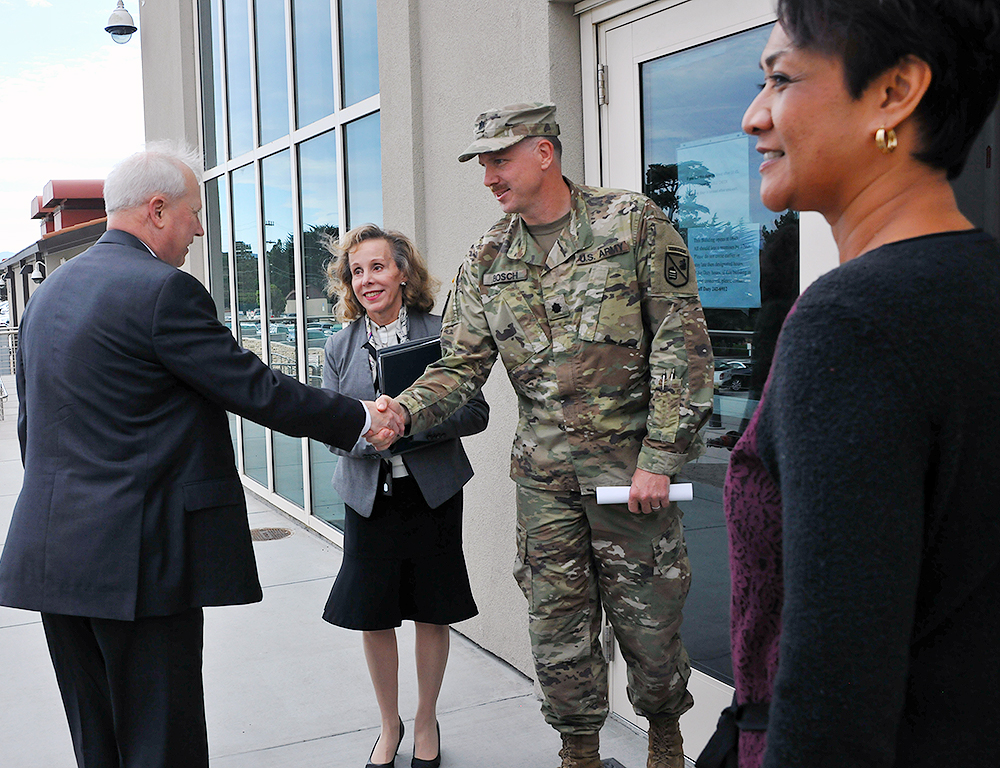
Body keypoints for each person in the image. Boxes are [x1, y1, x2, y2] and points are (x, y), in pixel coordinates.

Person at [0, 144, 403, 768]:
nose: (201, 228)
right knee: (161, 743)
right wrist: (361, 419)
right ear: (158, 210)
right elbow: (254, 387)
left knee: (98, 741)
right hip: (138, 562)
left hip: (54, 555)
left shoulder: (52, 292)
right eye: (194, 212)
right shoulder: (163, 292)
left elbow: (30, 425)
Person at [373, 103, 714, 768]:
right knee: (558, 633)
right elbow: (460, 366)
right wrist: (404, 413)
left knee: (650, 625)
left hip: (631, 476)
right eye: (482, 163)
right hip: (546, 485)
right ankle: (578, 752)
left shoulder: (631, 223)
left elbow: (682, 342)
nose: (488, 177)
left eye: (500, 160)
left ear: (544, 153)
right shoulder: (488, 255)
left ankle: (666, 742)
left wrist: (662, 458)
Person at [718, 2, 1000, 767]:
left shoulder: (851, 323)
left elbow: (834, 697)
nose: (753, 118)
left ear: (895, 91)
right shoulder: (974, 286)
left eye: (780, 79)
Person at [320, 224, 489, 768]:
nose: (367, 279)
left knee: (430, 611)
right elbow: (330, 428)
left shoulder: (442, 335)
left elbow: (475, 412)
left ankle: (424, 720)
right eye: (358, 270)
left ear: (403, 272)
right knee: (373, 615)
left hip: (431, 496)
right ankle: (389, 725)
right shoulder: (338, 346)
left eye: (378, 266)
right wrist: (373, 435)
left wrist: (409, 425)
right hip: (369, 500)